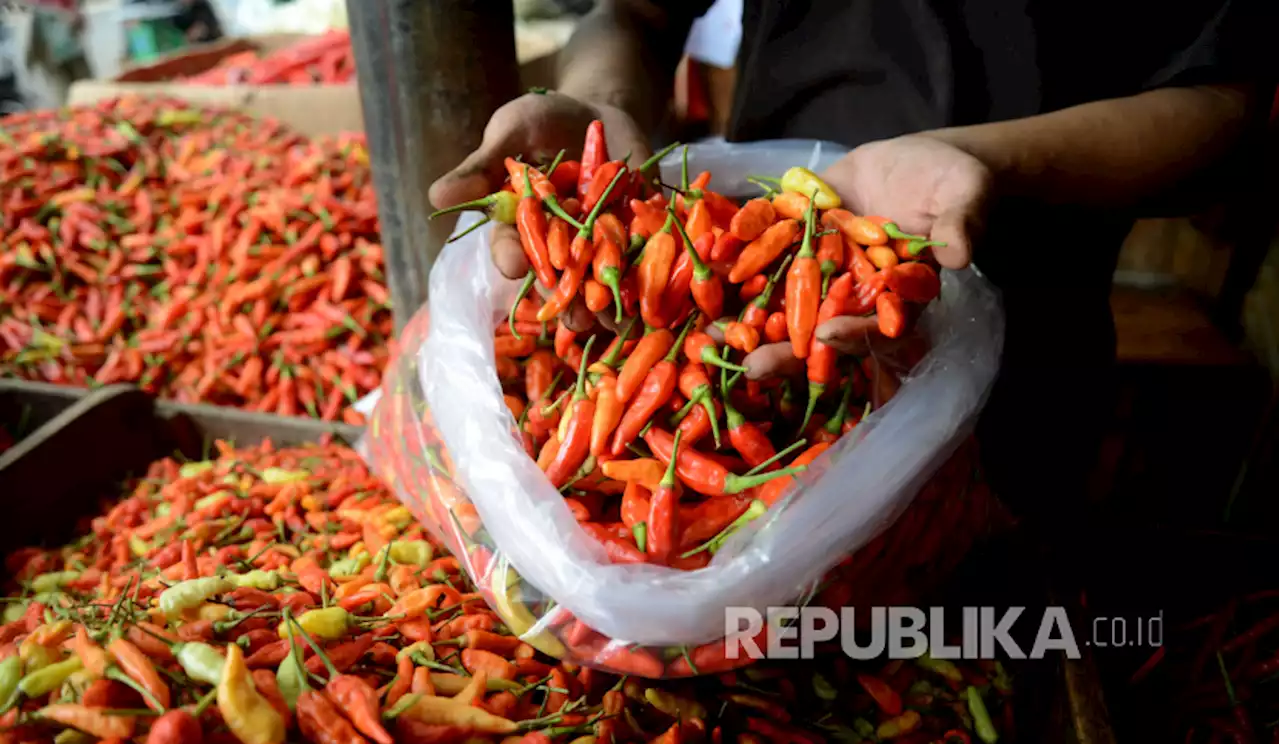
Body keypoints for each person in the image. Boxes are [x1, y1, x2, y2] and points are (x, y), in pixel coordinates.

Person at [429, 0, 1275, 532]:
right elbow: (637, 15)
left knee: (964, 623)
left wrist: (991, 163)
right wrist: (606, 109)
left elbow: (1228, 103)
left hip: (1020, 336)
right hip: (788, 228)